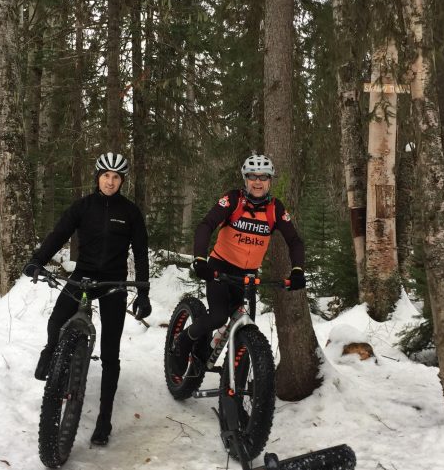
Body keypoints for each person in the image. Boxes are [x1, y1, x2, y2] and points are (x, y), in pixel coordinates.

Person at [23, 152, 151, 447]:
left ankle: (104, 418)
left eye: (116, 177)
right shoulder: (83, 206)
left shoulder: (130, 212)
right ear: (98, 177)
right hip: (83, 275)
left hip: (114, 283)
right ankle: (50, 351)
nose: (110, 181)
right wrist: (37, 260)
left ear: (122, 181)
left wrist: (142, 292)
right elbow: (58, 234)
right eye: (106, 175)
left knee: (110, 352)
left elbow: (141, 252)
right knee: (57, 320)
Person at [171, 154, 305, 374]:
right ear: (246, 179)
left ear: (270, 180)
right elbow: (206, 225)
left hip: (248, 274)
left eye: (263, 177)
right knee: (218, 316)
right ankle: (183, 343)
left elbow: (294, 241)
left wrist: (298, 270)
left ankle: (233, 376)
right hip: (219, 268)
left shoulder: (275, 208)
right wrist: (200, 259)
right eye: (253, 176)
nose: (258, 182)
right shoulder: (233, 200)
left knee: (243, 321)